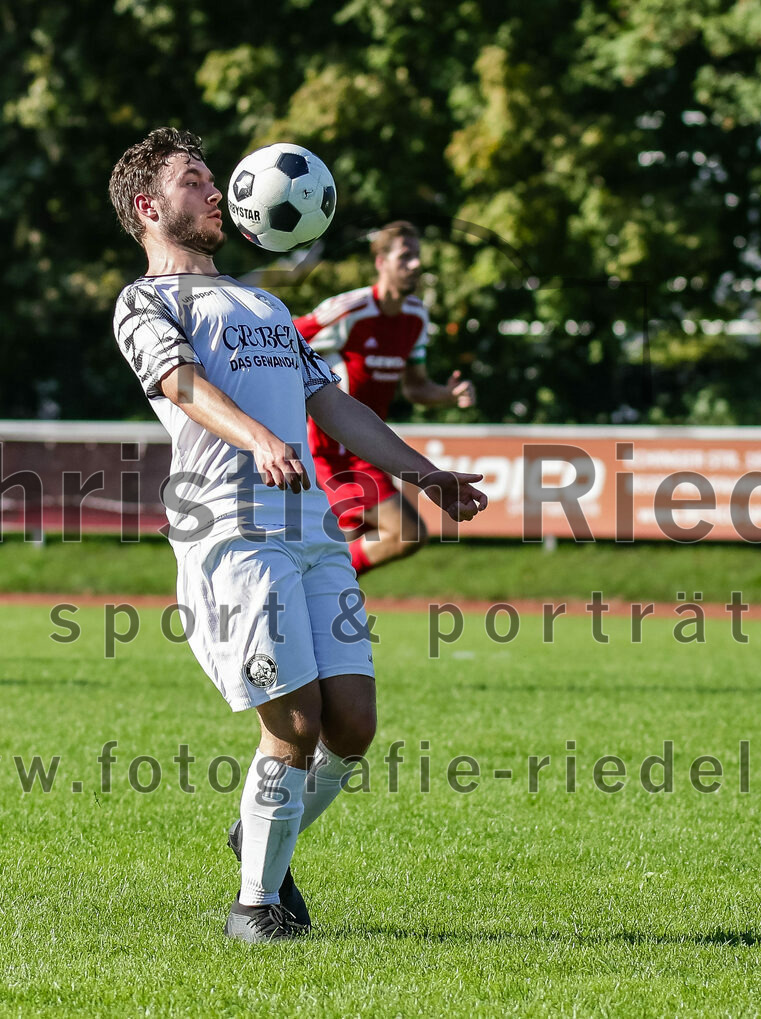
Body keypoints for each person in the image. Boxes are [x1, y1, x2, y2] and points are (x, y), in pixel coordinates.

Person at [108, 129, 487, 942]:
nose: (215, 191)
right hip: (232, 532)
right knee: (293, 723)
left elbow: (335, 406)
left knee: (352, 724)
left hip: (310, 528)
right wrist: (255, 438)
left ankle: (259, 835)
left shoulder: (267, 306)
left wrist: (425, 472)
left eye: (213, 179)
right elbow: (181, 383)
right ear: (149, 208)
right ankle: (255, 905)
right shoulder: (146, 301)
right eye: (194, 181)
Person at [294, 221, 476, 576]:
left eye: (418, 257)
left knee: (347, 544)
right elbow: (279, 339)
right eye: (405, 257)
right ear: (381, 262)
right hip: (332, 451)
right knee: (406, 533)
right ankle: (321, 584)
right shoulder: (351, 310)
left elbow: (415, 387)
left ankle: (321, 589)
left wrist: (448, 396)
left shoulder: (416, 318)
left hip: (369, 449)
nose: (416, 265)